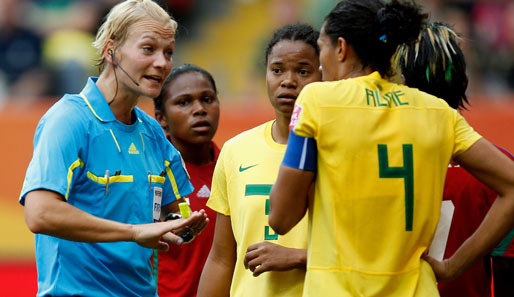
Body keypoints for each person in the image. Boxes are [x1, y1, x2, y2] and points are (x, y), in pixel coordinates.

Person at [268, 0, 514, 296]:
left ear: (342, 48)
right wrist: (452, 266)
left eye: (322, 47)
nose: (321, 62)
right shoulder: (437, 112)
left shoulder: (317, 101)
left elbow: (281, 218)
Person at [19, 1, 209, 296]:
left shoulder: (153, 133)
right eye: (148, 49)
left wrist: (179, 225)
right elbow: (39, 213)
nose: (162, 63)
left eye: (168, 52)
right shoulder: (69, 120)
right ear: (110, 51)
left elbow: (174, 210)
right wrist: (135, 232)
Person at [197, 23, 322, 297]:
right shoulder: (235, 150)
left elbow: (364, 254)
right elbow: (221, 258)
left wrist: (298, 256)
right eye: (277, 70)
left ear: (324, 77)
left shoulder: (340, 150)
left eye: (303, 71)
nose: (288, 81)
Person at [397, 22, 514, 297]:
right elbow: (507, 274)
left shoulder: (379, 161)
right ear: (465, 83)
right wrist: (450, 268)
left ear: (402, 86)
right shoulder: (500, 169)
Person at [153, 64, 220, 297]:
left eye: (208, 99)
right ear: (161, 118)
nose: (199, 109)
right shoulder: (151, 174)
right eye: (184, 102)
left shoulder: (235, 167)